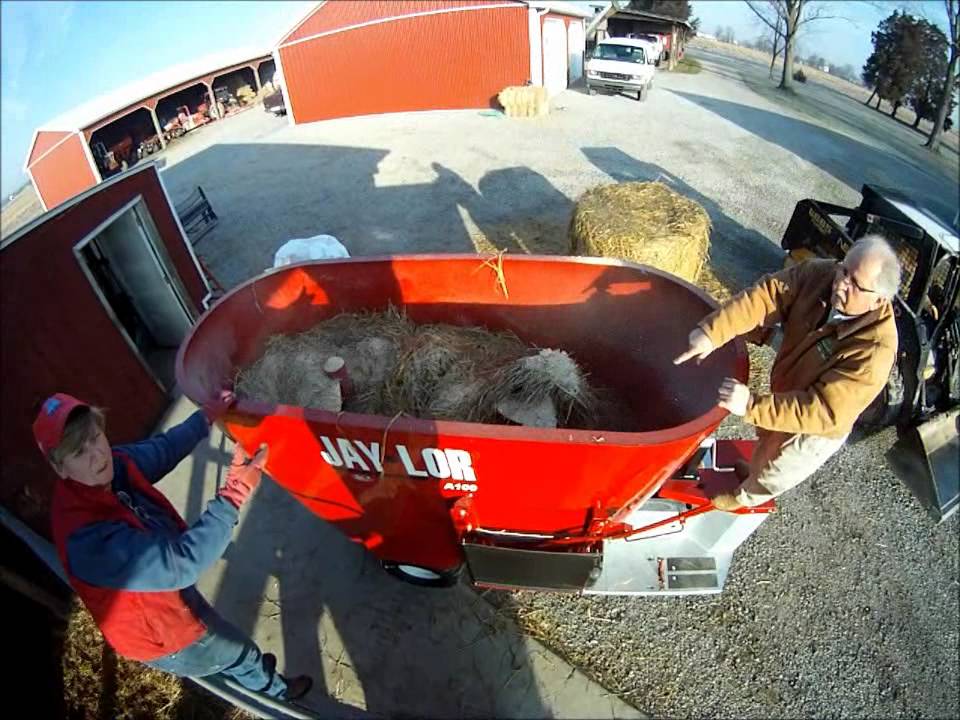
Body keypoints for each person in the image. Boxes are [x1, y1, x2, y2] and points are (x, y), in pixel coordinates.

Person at [34, 391, 312, 700]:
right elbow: (183, 563)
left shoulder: (114, 466)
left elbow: (163, 450)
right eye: (79, 452)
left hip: (166, 593)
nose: (98, 455)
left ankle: (244, 667)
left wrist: (206, 416)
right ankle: (274, 688)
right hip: (160, 633)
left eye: (96, 437)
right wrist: (233, 494)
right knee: (237, 651)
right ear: (60, 468)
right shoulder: (87, 540)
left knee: (212, 628)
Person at [674, 235, 901, 511]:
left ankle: (745, 497)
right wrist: (712, 332)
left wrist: (750, 404)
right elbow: (768, 294)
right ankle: (754, 468)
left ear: (878, 301)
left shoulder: (874, 351)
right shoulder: (820, 274)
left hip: (815, 425)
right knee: (768, 437)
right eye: (843, 269)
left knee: (779, 463)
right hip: (788, 388)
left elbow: (822, 411)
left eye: (855, 283)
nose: (841, 282)